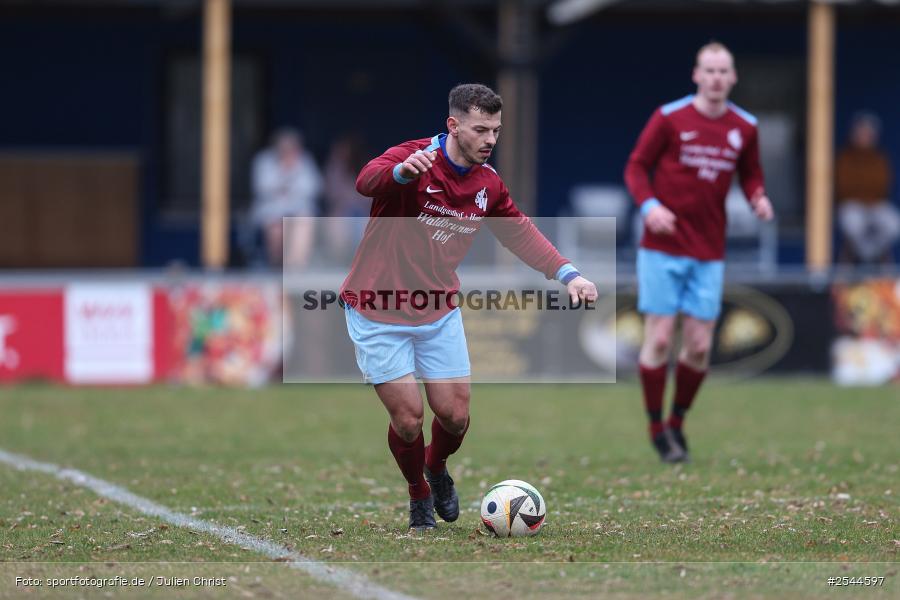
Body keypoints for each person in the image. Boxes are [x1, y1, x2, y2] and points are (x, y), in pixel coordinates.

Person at [342, 83, 598, 530]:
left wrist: (568, 273)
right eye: (481, 129)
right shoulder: (415, 156)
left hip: (437, 310)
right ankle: (418, 494)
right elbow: (366, 181)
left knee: (455, 417)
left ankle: (435, 469)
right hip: (377, 308)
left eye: (496, 131)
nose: (490, 139)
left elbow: (518, 232)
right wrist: (401, 173)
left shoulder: (487, 183)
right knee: (408, 420)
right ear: (453, 125)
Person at [624, 42, 774, 463]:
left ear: (733, 77)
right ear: (696, 75)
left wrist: (759, 197)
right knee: (657, 336)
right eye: (709, 71)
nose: (716, 78)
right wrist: (650, 207)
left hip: (708, 250)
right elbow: (636, 167)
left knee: (699, 347)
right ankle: (657, 430)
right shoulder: (669, 118)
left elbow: (752, 175)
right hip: (662, 248)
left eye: (723, 71)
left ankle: (677, 422)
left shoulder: (745, 126)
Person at [250, 128, 322, 267]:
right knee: (276, 228)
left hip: (299, 209)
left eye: (291, 148)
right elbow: (262, 188)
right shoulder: (264, 160)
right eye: (284, 148)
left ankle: (296, 268)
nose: (287, 151)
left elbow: (314, 187)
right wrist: (284, 175)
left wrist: (286, 184)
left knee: (304, 221)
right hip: (271, 211)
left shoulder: (304, 160)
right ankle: (276, 267)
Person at [836, 112, 900, 265]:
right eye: (861, 133)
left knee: (893, 223)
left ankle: (871, 254)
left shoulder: (879, 159)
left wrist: (868, 196)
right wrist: (863, 195)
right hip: (852, 204)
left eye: (868, 134)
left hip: (875, 204)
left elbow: (883, 185)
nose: (864, 137)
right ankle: (865, 257)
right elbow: (844, 186)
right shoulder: (845, 158)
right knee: (852, 222)